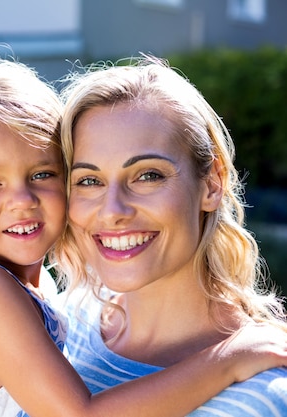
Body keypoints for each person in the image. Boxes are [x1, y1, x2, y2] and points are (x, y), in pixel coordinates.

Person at [0, 56, 287, 417]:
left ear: (212, 183)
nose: (22, 200)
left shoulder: (43, 291)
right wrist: (228, 360)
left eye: (42, 174)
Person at [55, 56, 287, 416]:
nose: (113, 210)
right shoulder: (65, 324)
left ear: (212, 183)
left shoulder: (261, 394)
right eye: (89, 180)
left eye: (148, 175)